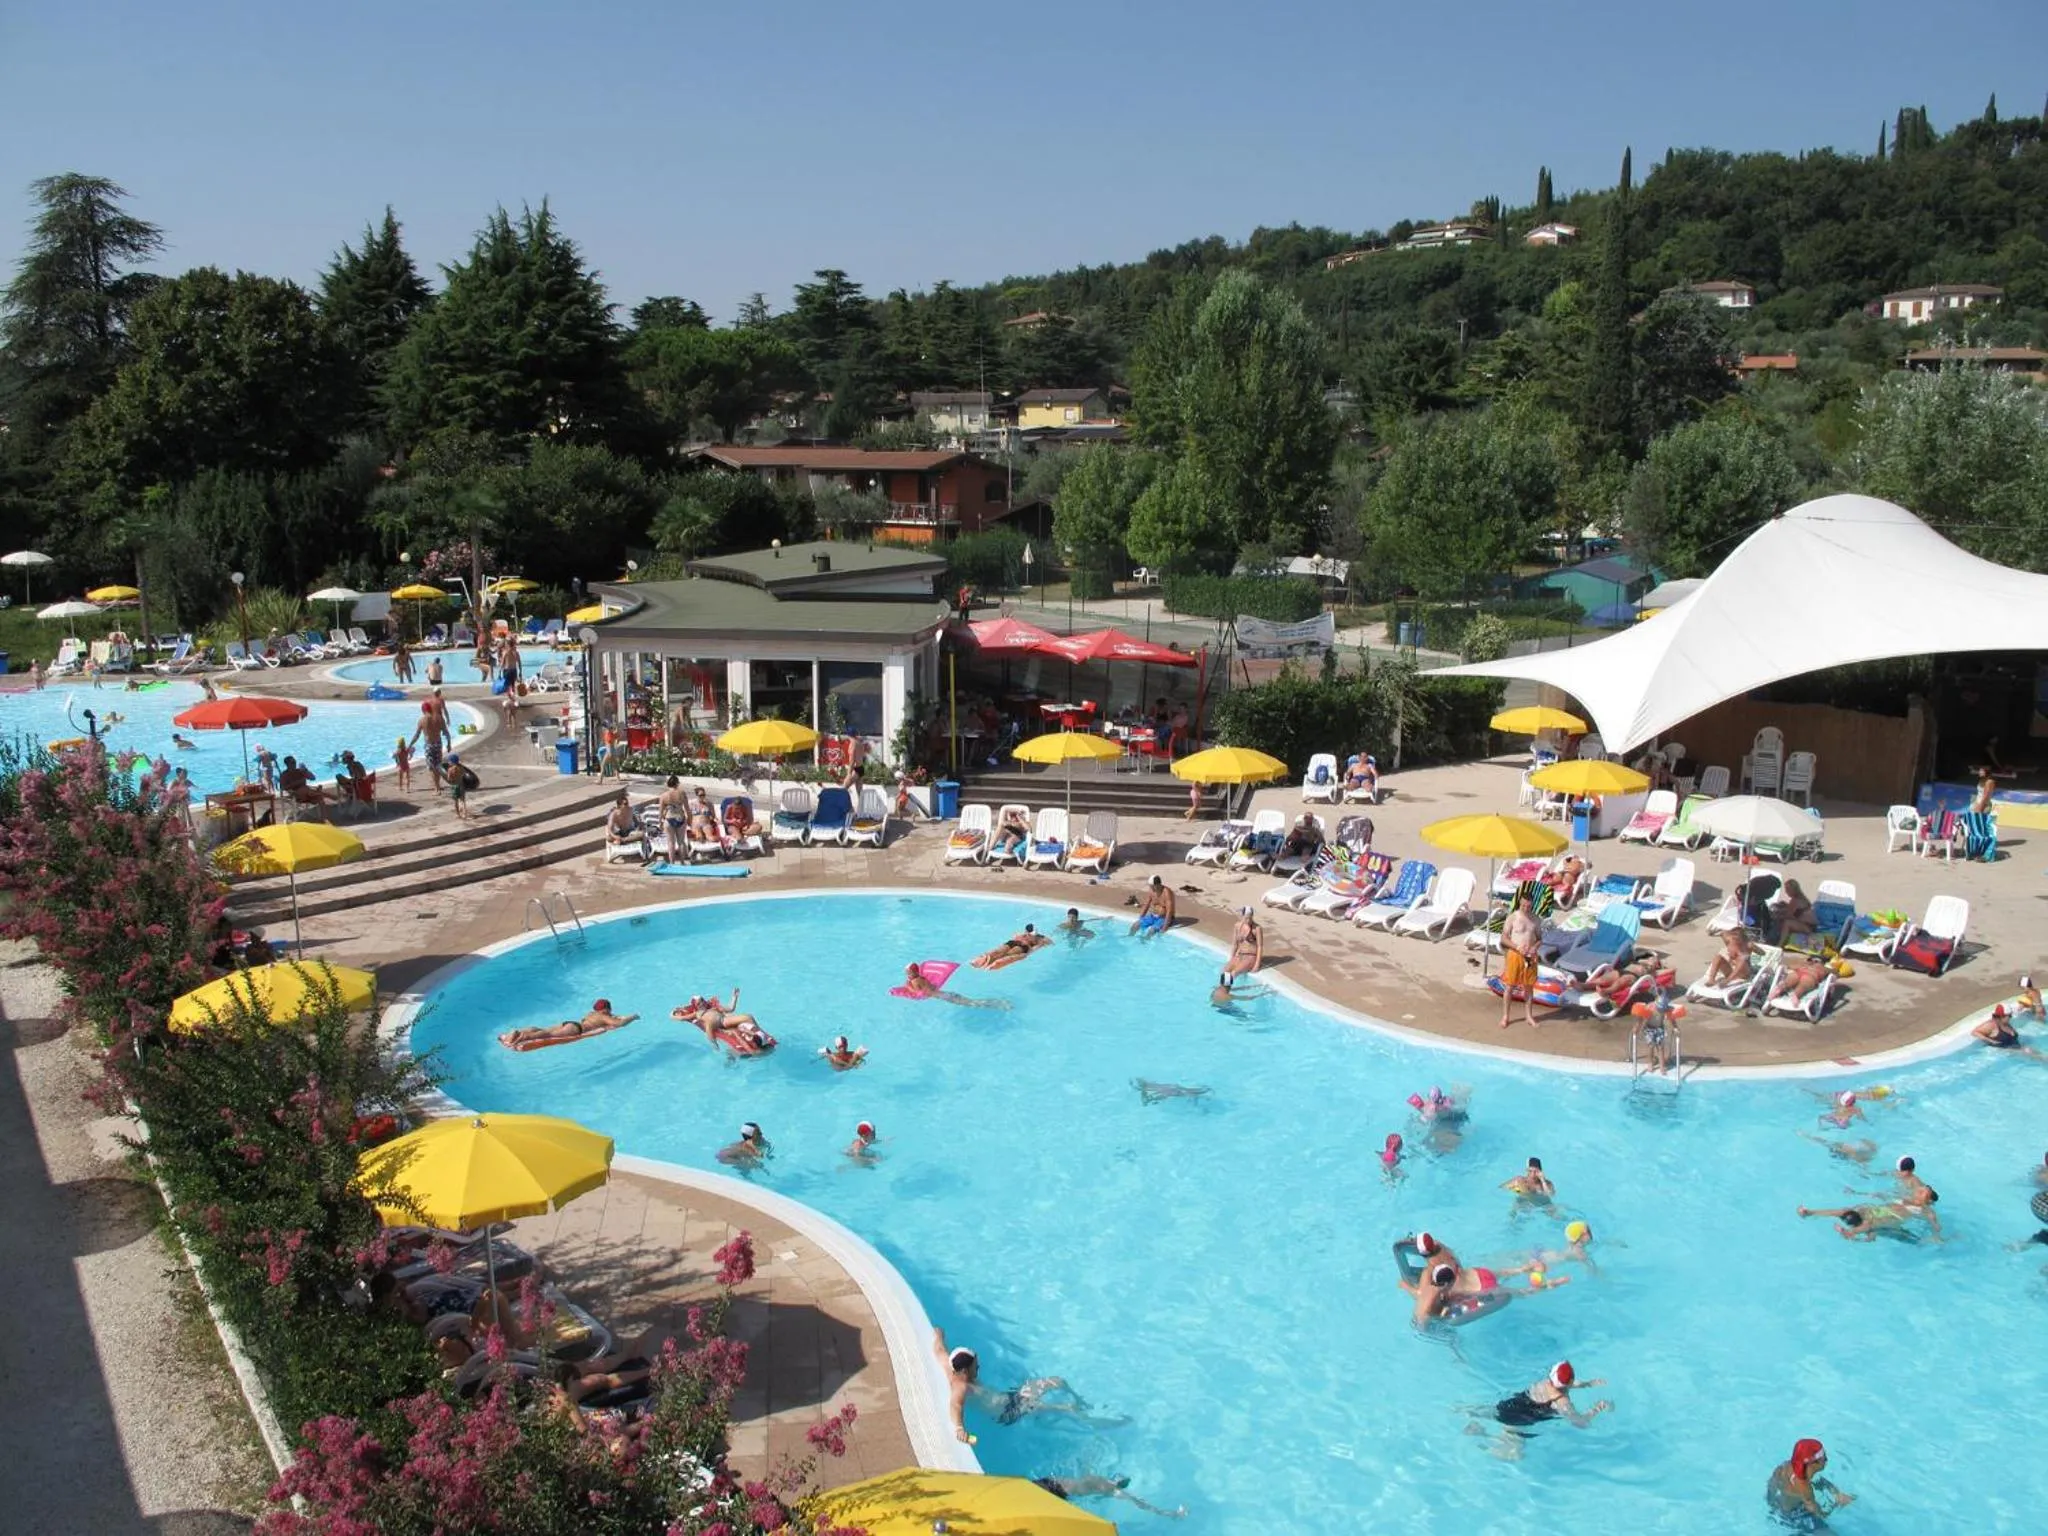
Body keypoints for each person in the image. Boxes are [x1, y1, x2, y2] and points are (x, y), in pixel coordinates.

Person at [932, 1327, 1111, 1443]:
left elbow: (939, 1349)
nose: (978, 1367)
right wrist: (959, 1428)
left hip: (1011, 1398)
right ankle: (1092, 1421)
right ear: (964, 1370)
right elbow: (955, 1405)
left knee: (1057, 1381)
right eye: (975, 1366)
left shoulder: (952, 1366)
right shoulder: (961, 1387)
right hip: (1009, 1413)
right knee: (1064, 1408)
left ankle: (1081, 1402)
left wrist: (938, 1334)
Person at [1478, 1361, 1611, 1454]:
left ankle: (1473, 1418)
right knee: (1515, 1454)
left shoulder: (1546, 1382)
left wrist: (1587, 1384)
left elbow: (1565, 1384)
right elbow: (1580, 1423)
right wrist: (1597, 1408)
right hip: (1521, 1419)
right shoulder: (1562, 1402)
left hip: (1511, 1404)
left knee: (1491, 1413)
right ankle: (1481, 1435)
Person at [1766, 1438, 1855, 1529]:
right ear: (1812, 1464)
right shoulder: (1804, 1486)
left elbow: (1771, 1485)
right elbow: (1814, 1510)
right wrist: (1833, 1508)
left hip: (1778, 1503)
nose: (1827, 1460)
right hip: (1793, 1516)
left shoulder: (1785, 1466)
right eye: (1823, 1458)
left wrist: (1836, 1493)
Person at [1033, 1473, 1186, 1521]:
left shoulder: (1103, 1484)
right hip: (1055, 1489)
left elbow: (1139, 1502)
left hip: (1050, 1485)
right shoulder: (1109, 1488)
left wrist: (1165, 1512)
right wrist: (1165, 1512)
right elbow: (1139, 1503)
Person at [498, 999, 637, 1049]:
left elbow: (607, 1020)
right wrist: (633, 1017)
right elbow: (620, 1024)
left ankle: (520, 1032)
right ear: (606, 1009)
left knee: (543, 1030)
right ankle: (518, 1035)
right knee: (547, 1034)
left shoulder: (592, 1013)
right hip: (575, 1029)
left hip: (571, 1023)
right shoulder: (604, 1017)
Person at [1499, 890, 1543, 1029]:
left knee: (1529, 986)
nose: (1525, 908)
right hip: (1515, 954)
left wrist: (1535, 947)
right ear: (1520, 903)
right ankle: (1506, 1016)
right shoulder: (1513, 917)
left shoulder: (1536, 919)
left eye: (1528, 906)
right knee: (1510, 986)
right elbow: (1504, 938)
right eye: (1523, 905)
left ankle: (1529, 1016)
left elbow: (1540, 939)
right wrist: (1517, 947)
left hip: (1530, 956)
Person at [897, 963, 1012, 1009]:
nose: (906, 974)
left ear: (912, 973)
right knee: (973, 1002)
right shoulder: (921, 978)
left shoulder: (915, 982)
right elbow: (930, 987)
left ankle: (1001, 1004)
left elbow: (918, 992)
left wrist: (908, 986)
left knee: (974, 1004)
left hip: (946, 996)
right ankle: (999, 1003)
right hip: (947, 994)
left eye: (907, 972)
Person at [1796, 1202, 1912, 1240]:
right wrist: (1811, 1212)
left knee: (1907, 1237)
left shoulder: (1868, 1226)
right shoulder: (1860, 1210)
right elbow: (1834, 1213)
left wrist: (1843, 1232)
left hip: (1896, 1222)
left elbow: (1865, 1237)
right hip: (1895, 1207)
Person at [1974, 1005, 2045, 1057]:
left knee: (2036, 1053)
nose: (2011, 1017)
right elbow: (1975, 1032)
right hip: (2007, 1050)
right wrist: (1990, 1041)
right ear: (2002, 1016)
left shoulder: (2005, 1023)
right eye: (2009, 1016)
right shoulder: (1991, 1025)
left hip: (2016, 1047)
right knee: (2030, 1052)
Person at [972, 924, 1049, 970]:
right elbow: (1014, 936)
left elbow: (1042, 944)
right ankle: (984, 958)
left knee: (1011, 952)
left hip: (1024, 947)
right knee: (998, 951)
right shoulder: (1021, 934)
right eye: (1029, 934)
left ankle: (995, 962)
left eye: (1032, 935)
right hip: (1013, 942)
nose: (1030, 936)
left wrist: (1036, 947)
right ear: (1026, 931)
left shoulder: (1040, 939)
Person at [1223, 907, 1264, 986]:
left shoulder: (1257, 929)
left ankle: (1226, 989)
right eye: (1246, 918)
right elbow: (1235, 944)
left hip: (1251, 956)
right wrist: (1231, 958)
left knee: (1234, 973)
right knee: (1225, 970)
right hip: (1240, 954)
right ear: (1242, 916)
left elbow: (1260, 946)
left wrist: (1257, 965)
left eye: (1250, 918)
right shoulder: (1237, 926)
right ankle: (1222, 988)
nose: (1248, 921)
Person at [605, 792, 650, 863]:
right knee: (608, 838)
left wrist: (639, 826)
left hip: (630, 831)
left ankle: (623, 841)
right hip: (619, 832)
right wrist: (615, 836)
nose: (627, 805)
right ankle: (623, 840)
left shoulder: (630, 810)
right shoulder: (614, 814)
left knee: (642, 834)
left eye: (627, 803)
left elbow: (636, 822)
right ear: (619, 806)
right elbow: (609, 829)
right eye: (625, 804)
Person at [1776, 879, 1819, 946]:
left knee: (1787, 923)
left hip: (1808, 927)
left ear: (1794, 889)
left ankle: (1779, 944)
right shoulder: (1801, 898)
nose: (1786, 891)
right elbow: (1795, 912)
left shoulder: (1796, 900)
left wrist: (1777, 915)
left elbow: (1789, 915)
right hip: (1807, 925)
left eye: (1788, 889)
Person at [657, 775, 690, 863]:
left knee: (671, 843)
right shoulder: (682, 793)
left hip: (669, 818)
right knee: (681, 842)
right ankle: (682, 862)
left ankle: (672, 863)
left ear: (668, 784)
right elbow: (687, 808)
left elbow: (660, 811)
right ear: (677, 783)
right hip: (680, 818)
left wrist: (660, 822)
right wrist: (690, 819)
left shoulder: (663, 796)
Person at [1799, 1133, 1878, 1165]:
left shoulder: (1855, 1153)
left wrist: (1806, 1136)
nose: (1845, 1144)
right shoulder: (1857, 1157)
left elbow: (1823, 1142)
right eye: (1843, 1146)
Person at [443, 753, 475, 819]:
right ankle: (464, 814)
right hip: (461, 785)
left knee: (456, 801)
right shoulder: (461, 768)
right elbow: (464, 774)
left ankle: (458, 814)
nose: (448, 762)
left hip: (454, 786)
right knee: (462, 801)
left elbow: (449, 779)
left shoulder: (450, 770)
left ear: (451, 761)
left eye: (449, 761)